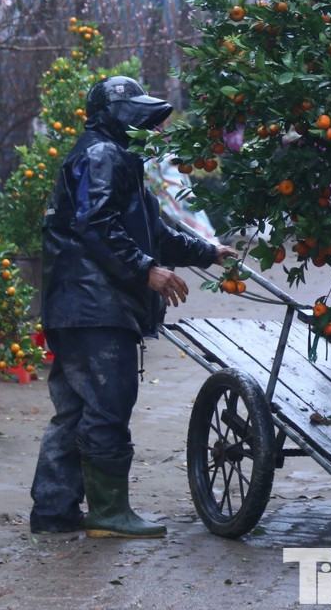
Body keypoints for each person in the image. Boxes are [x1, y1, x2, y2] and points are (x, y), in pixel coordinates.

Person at [30, 76, 236, 537]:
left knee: (76, 412)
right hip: (94, 307)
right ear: (116, 116)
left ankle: (53, 512)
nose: (149, 125)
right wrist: (147, 270)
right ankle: (108, 513)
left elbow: (153, 232)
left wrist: (207, 251)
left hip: (79, 307)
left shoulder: (112, 158)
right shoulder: (102, 155)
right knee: (107, 406)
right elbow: (96, 223)